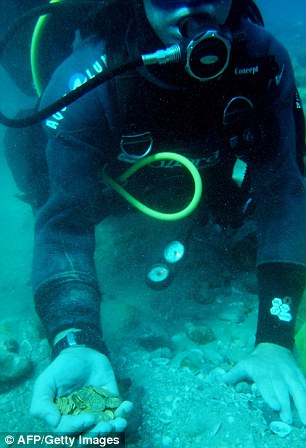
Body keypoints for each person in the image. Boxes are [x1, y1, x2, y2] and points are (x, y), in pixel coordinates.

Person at [5, 0, 306, 435]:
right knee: (37, 162)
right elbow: (64, 223)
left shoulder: (263, 58)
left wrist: (275, 341)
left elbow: (284, 190)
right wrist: (76, 338)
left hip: (197, 174)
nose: (190, 7)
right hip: (117, 183)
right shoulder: (91, 75)